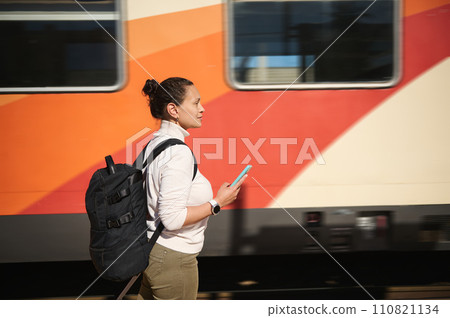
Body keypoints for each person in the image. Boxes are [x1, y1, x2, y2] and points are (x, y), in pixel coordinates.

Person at [137, 77, 247, 300]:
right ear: (173, 110)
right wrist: (217, 203)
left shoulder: (153, 143)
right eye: (195, 103)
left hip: (153, 250)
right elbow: (172, 218)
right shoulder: (178, 153)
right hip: (174, 258)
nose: (202, 108)